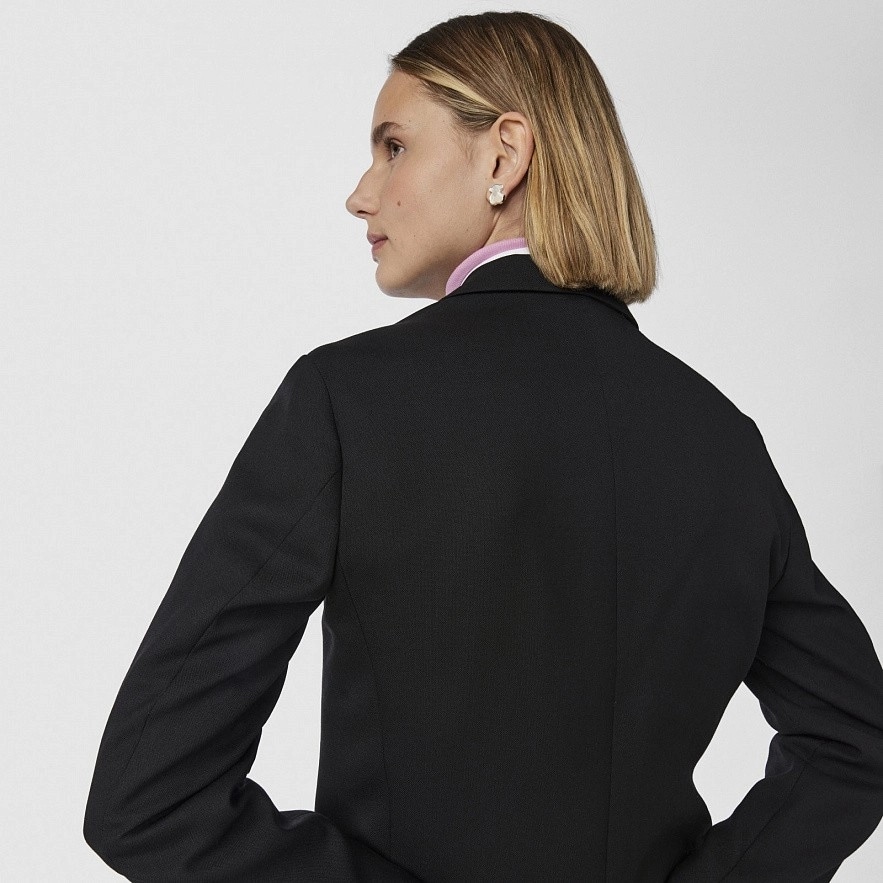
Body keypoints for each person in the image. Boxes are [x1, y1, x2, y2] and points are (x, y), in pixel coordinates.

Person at [83, 11, 883, 881]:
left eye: (393, 147)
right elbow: (856, 745)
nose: (360, 193)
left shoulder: (347, 400)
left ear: (504, 154)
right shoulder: (720, 437)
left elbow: (147, 798)